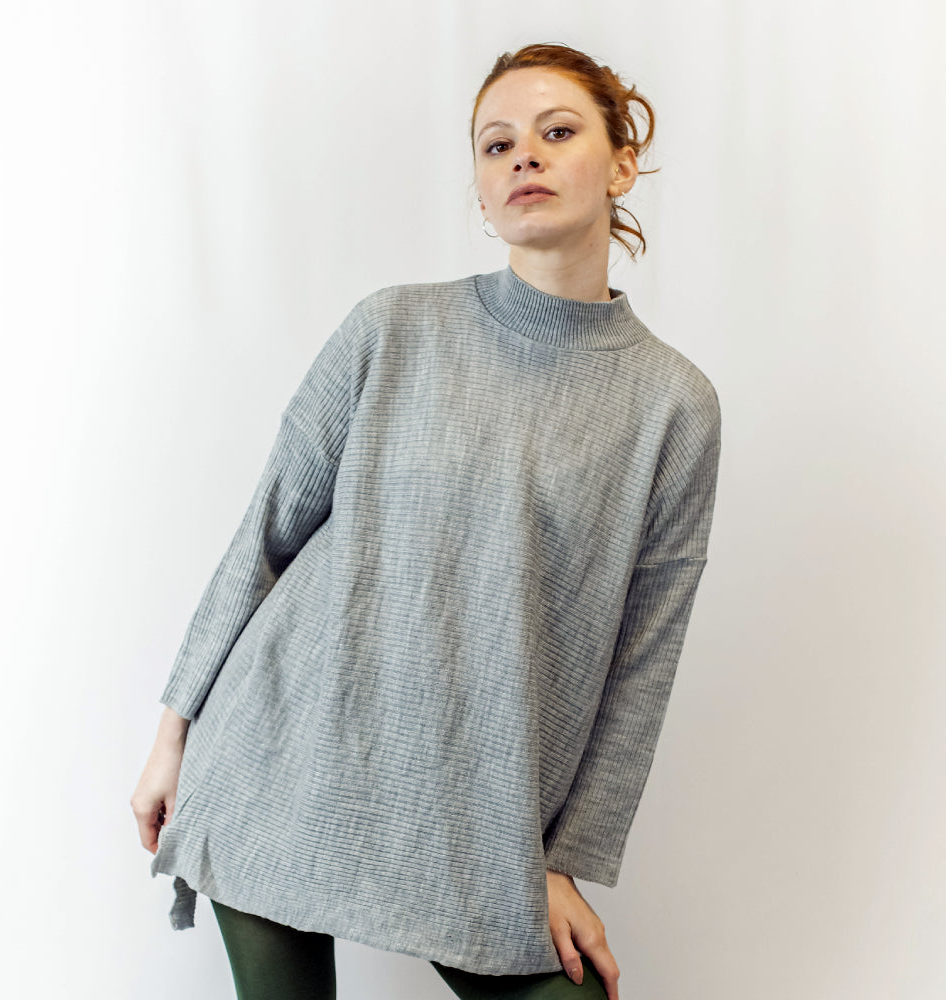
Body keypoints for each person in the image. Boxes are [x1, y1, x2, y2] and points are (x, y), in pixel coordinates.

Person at [131, 41, 721, 1000]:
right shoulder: (391, 329)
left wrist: (563, 858)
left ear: (622, 165)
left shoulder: (671, 405)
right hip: (275, 763)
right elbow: (266, 537)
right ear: (481, 189)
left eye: (557, 132)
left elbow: (642, 660)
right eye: (497, 144)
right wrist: (172, 738)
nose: (523, 157)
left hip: (476, 815)